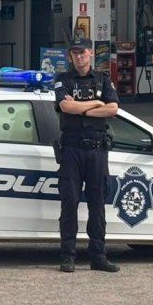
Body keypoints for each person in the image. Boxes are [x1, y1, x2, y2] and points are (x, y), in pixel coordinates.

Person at [54, 38, 120, 274]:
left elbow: (113, 109)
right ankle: (68, 256)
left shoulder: (103, 79)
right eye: (74, 53)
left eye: (82, 52)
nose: (78, 57)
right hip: (72, 149)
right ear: (70, 56)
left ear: (90, 54)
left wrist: (80, 106)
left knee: (97, 204)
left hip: (97, 150)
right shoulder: (63, 80)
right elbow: (65, 108)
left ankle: (98, 256)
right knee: (69, 203)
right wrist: (95, 103)